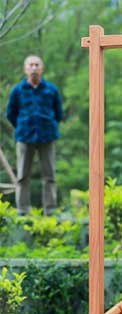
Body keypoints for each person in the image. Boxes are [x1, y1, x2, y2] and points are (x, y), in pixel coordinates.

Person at [5, 55, 63, 216]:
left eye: (37, 65)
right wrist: (22, 126)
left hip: (47, 136)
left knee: (49, 175)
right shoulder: (17, 90)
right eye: (31, 65)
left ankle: (50, 209)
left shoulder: (51, 89)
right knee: (23, 175)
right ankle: (23, 209)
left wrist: (49, 124)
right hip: (24, 136)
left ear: (42, 69)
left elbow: (58, 113)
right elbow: (10, 113)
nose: (34, 68)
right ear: (25, 69)